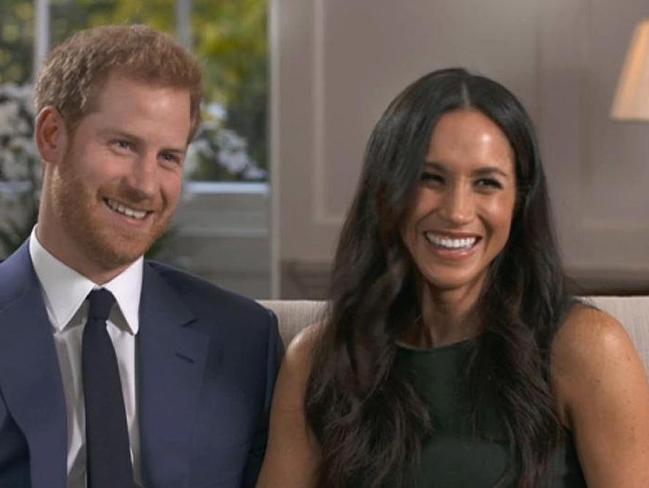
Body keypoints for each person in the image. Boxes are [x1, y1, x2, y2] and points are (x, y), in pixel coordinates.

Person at [257, 68, 649, 487]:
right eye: (430, 178)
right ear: (386, 191)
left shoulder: (587, 348)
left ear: (519, 201)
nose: (458, 211)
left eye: (486, 183)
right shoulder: (317, 359)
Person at [0, 25, 282, 488]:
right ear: (52, 136)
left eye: (169, 157)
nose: (145, 185)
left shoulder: (244, 341)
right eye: (124, 145)